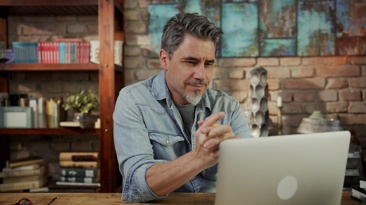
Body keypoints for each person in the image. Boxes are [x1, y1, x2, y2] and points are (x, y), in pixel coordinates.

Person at [113, 13, 252, 202]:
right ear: (164, 59)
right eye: (190, 62)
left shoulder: (228, 106)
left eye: (208, 64)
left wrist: (242, 158)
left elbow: (251, 174)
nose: (202, 75)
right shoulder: (133, 101)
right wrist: (199, 158)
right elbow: (136, 187)